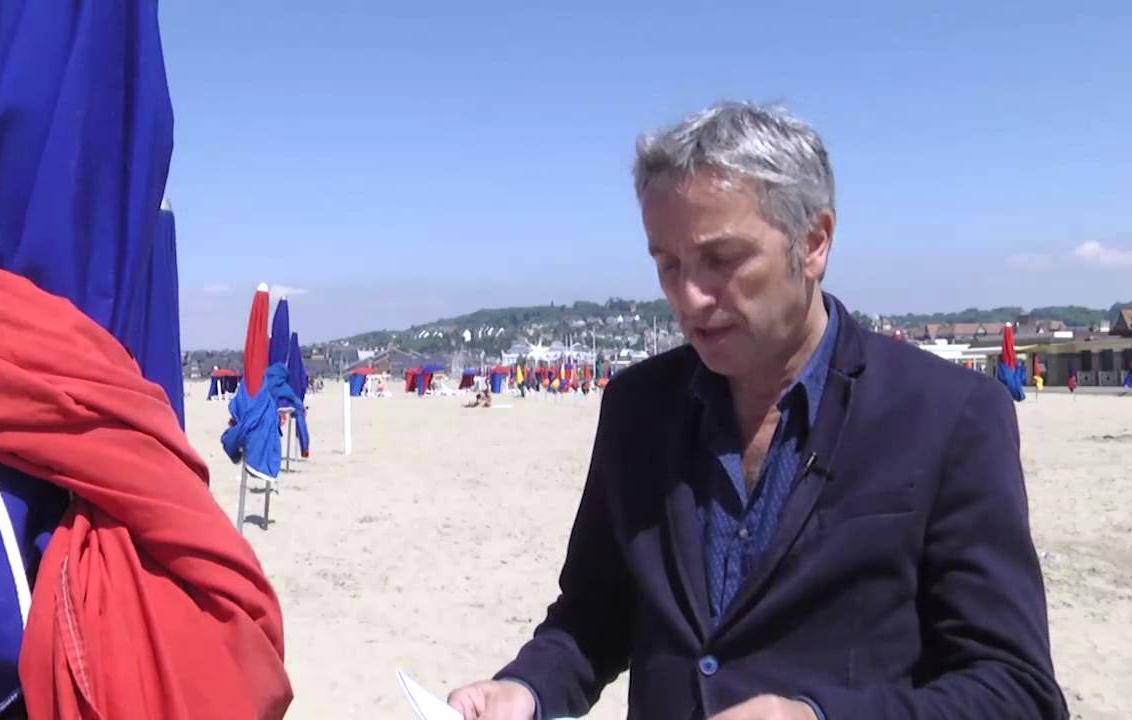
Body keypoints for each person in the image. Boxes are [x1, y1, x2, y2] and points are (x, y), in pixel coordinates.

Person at [448, 102, 1065, 719]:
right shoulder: (636, 406)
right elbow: (593, 613)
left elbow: (1016, 691)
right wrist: (524, 690)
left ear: (814, 242)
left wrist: (815, 717)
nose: (689, 297)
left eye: (722, 260)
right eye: (669, 265)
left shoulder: (948, 414)